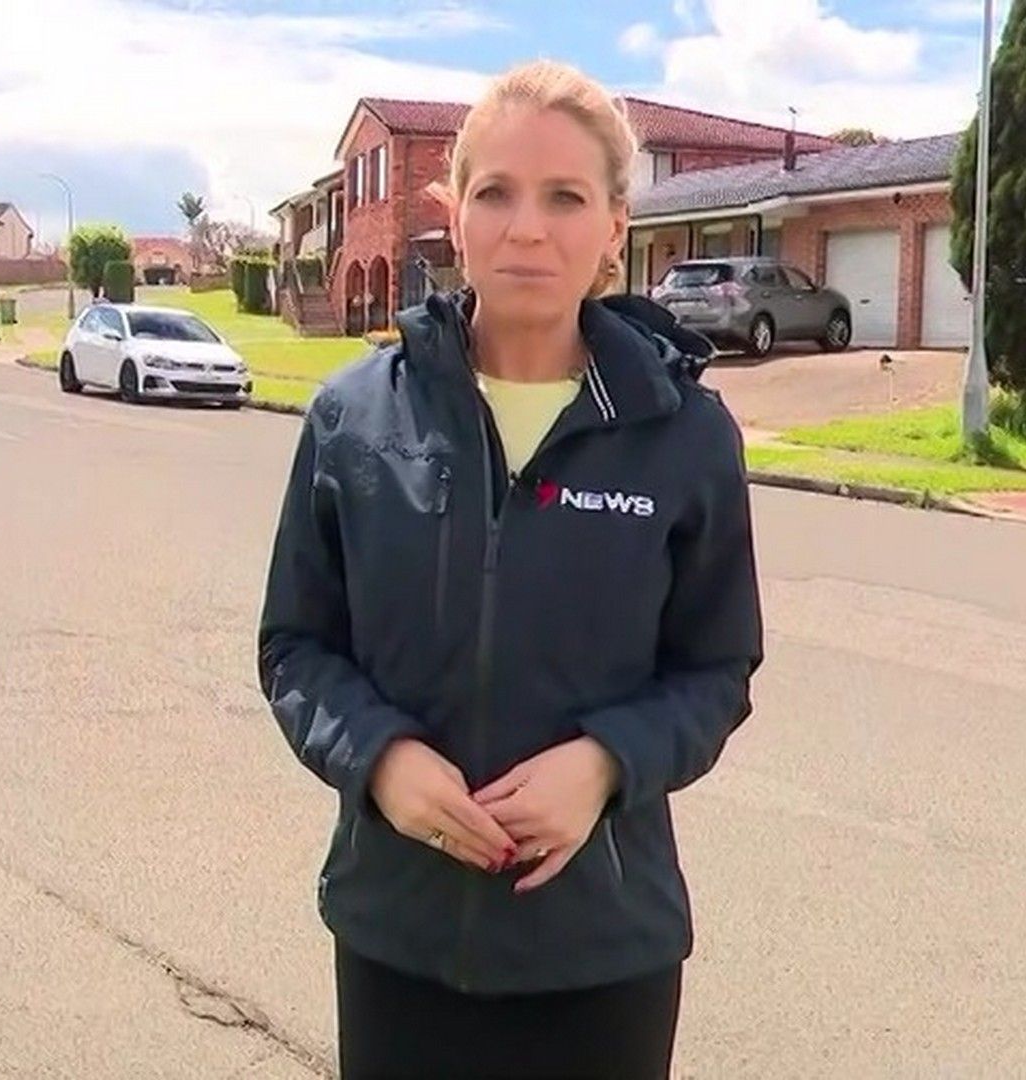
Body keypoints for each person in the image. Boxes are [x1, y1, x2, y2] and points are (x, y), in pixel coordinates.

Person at [257, 58, 764, 1079]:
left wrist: (606, 764)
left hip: (602, 955)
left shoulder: (686, 436)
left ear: (615, 225)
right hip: (399, 941)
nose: (527, 228)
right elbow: (296, 648)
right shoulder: (355, 418)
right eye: (496, 193)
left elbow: (716, 670)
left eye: (565, 197)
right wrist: (381, 761)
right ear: (455, 215)